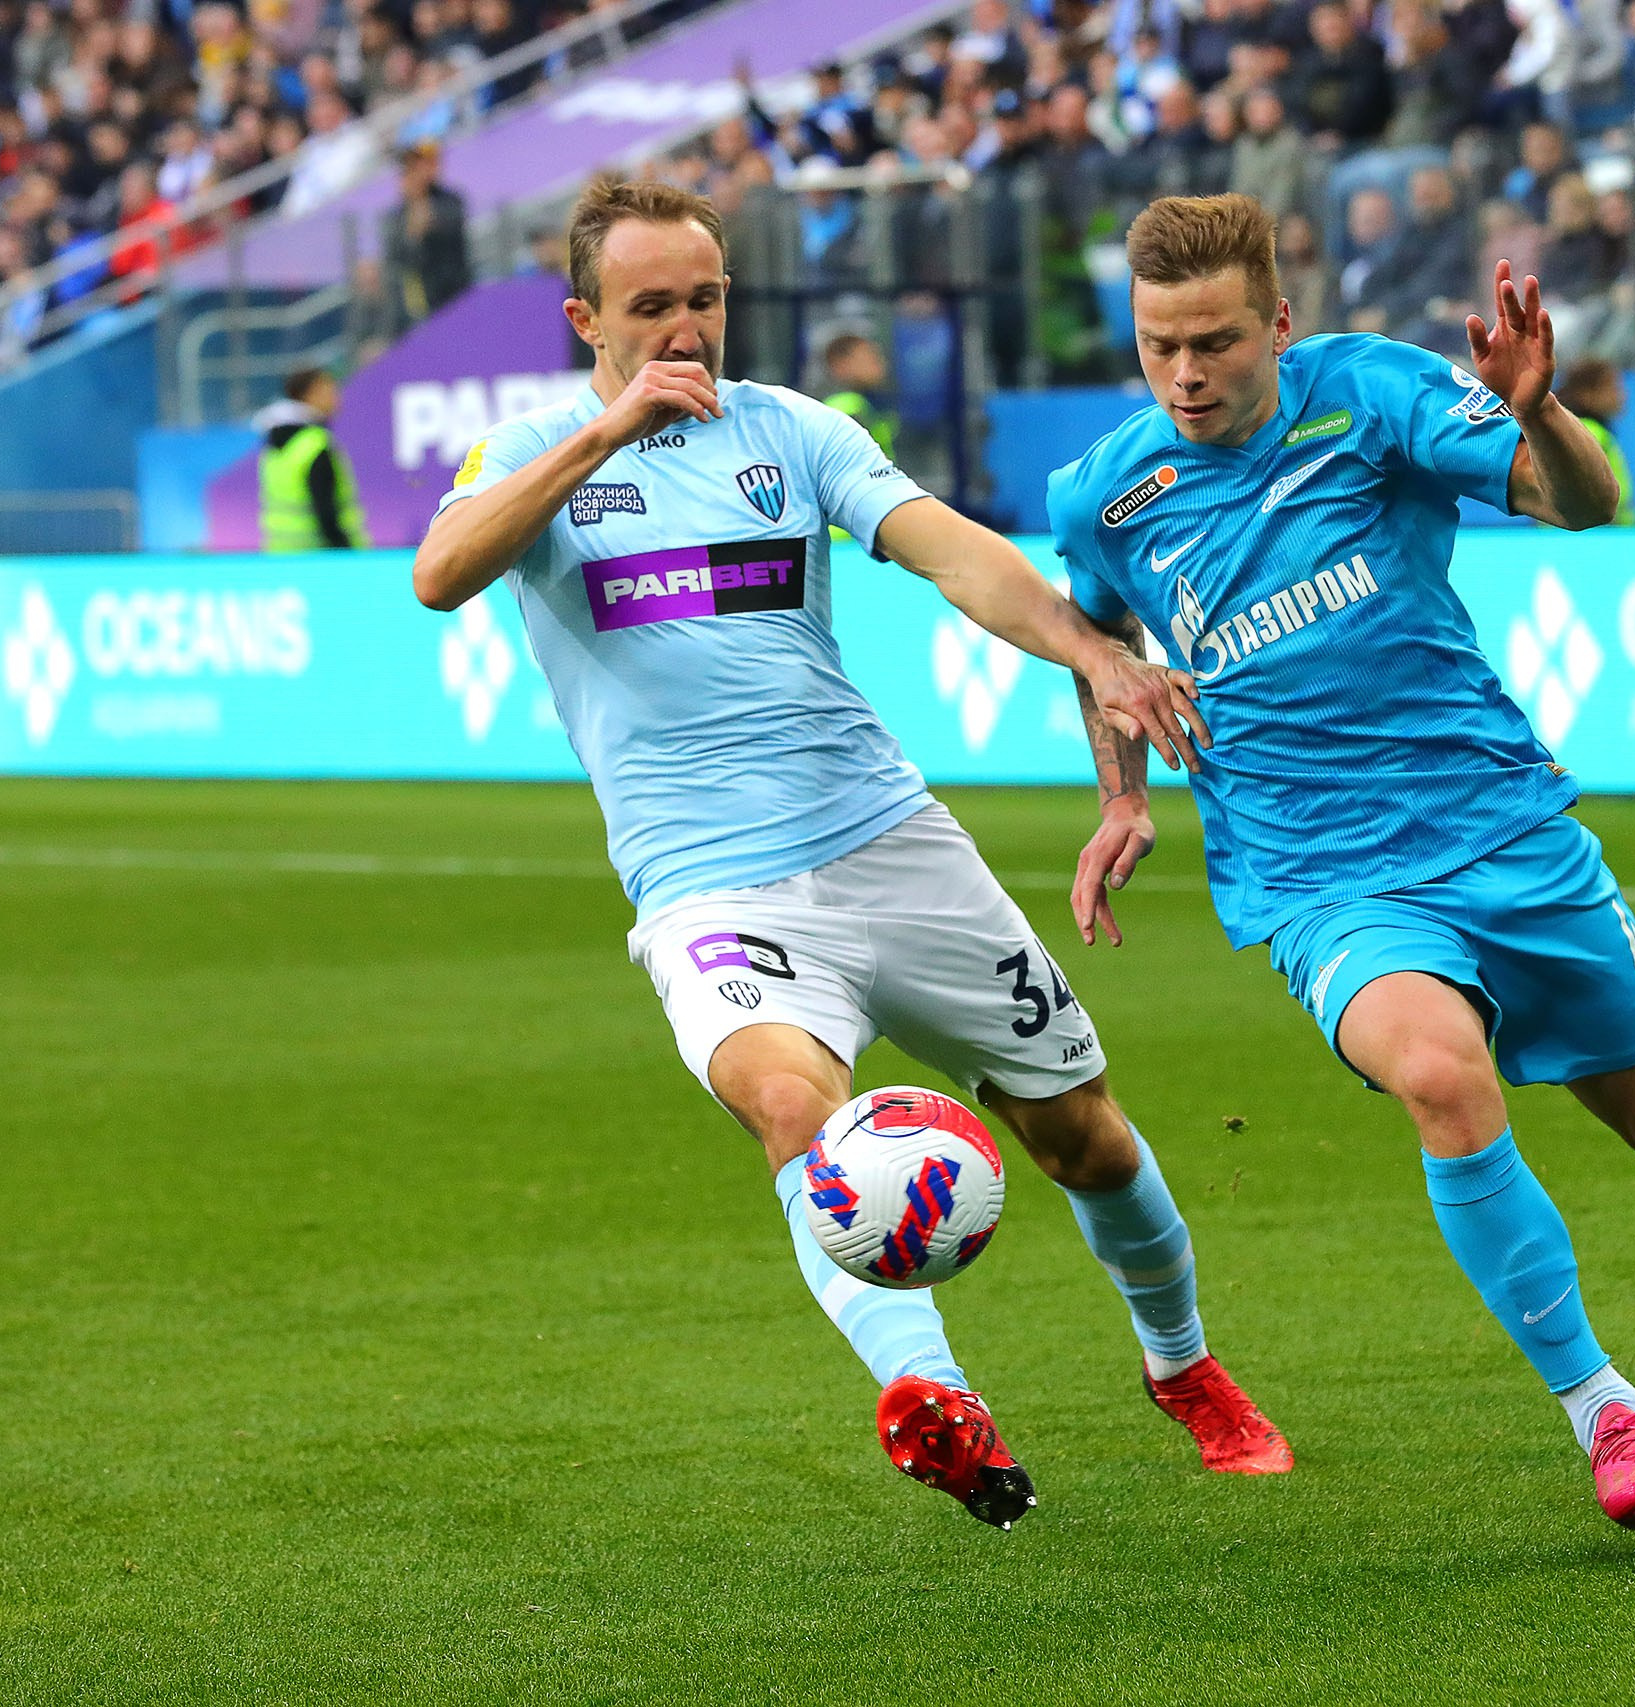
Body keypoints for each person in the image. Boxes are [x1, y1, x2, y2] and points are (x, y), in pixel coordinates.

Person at [411, 178, 1289, 1531]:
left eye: (705, 298)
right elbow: (443, 570)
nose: (688, 328)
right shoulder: (531, 451)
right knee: (795, 1115)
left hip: (888, 840)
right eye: (653, 307)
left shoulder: (791, 430)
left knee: (1086, 1137)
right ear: (585, 316)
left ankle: (1184, 1367)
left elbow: (953, 554)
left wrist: (1093, 650)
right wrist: (608, 433)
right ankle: (942, 1404)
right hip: (710, 883)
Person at [1046, 194, 1635, 1533]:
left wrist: (1537, 411)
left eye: (1217, 343)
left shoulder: (1372, 396)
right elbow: (1096, 639)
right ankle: (1607, 1410)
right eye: (1160, 346)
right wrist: (1123, 790)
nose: (1186, 374)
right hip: (1316, 874)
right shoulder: (1107, 491)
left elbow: (1583, 508)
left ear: (1281, 323)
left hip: (1497, 825)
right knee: (1436, 1069)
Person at [256, 367, 371, 552]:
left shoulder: (275, 443)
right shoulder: (315, 445)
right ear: (311, 392)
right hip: (321, 560)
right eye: (329, 388)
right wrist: (346, 553)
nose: (336, 396)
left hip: (281, 557)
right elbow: (326, 512)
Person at [381, 141, 472, 331]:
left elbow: (450, 229)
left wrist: (420, 204)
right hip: (422, 301)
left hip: (458, 290)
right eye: (412, 167)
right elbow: (398, 258)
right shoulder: (396, 216)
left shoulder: (450, 200)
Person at [1556, 356, 1635, 524]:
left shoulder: (1585, 431)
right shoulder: (1588, 435)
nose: (1622, 395)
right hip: (1596, 542)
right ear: (1586, 394)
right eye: (1613, 388)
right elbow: (1581, 501)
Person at [818, 330, 895, 458]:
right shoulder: (843, 410)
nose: (881, 364)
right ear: (841, 364)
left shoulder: (869, 401)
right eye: (871, 357)